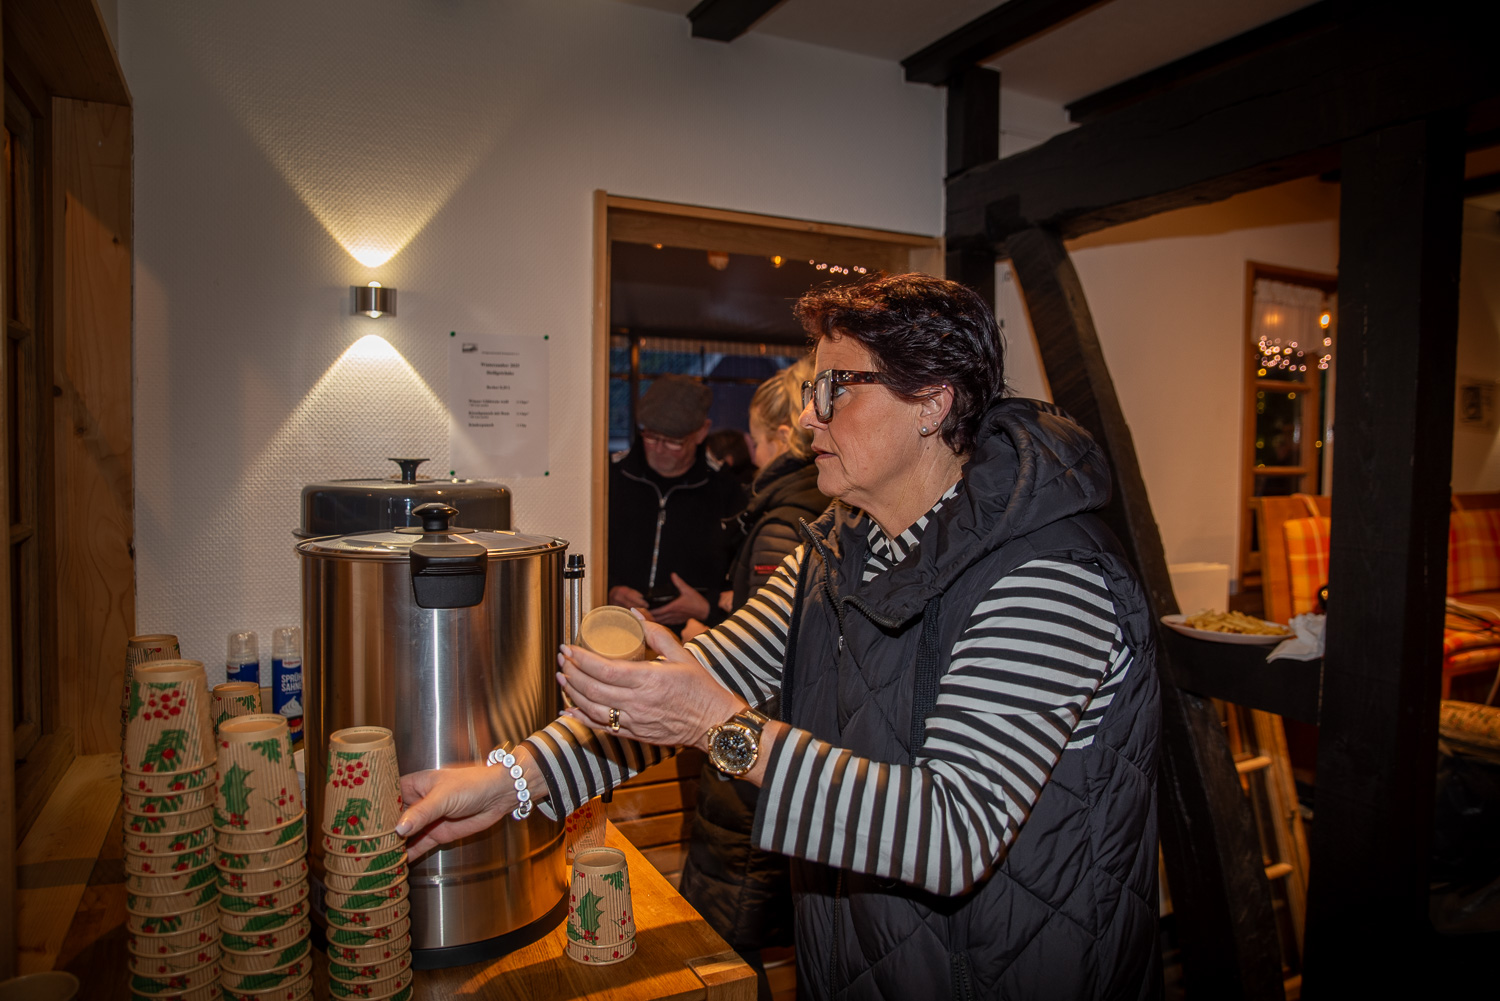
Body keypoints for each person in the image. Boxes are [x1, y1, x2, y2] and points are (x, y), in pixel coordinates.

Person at [398, 274, 1161, 1000]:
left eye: (836, 389)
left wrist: (719, 726)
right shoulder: (839, 548)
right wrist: (511, 778)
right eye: (809, 392)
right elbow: (704, 675)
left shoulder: (1048, 572)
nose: (806, 420)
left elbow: (951, 834)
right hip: (852, 962)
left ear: (931, 402)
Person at [678, 358, 831, 998]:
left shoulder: (786, 521)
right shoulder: (825, 515)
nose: (753, 449)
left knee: (722, 952)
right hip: (783, 762)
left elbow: (766, 667)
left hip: (750, 772)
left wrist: (705, 642)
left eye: (758, 436)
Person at [607, 374, 746, 629]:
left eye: (673, 442)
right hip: (615, 630)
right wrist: (608, 589)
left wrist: (707, 606)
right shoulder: (610, 478)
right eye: (651, 436)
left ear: (701, 432)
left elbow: (742, 579)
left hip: (694, 637)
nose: (659, 449)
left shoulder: (727, 491)